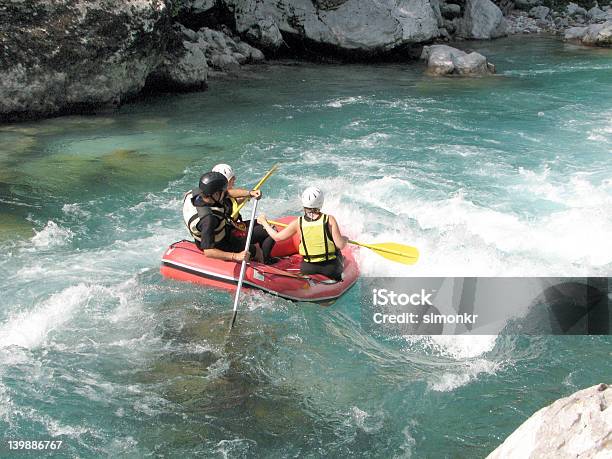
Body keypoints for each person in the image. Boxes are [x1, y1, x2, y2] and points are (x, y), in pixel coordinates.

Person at [257, 187, 349, 281]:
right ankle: (338, 279)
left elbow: (277, 238)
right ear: (321, 202)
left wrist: (264, 222)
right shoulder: (329, 219)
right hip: (330, 268)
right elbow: (340, 245)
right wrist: (345, 238)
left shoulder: (298, 223)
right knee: (337, 251)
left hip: (308, 268)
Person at [182, 171, 262, 262]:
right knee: (256, 250)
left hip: (213, 232)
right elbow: (208, 251)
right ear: (216, 194)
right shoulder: (208, 220)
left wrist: (249, 193)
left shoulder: (196, 193)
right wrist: (236, 256)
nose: (225, 193)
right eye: (222, 192)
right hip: (219, 244)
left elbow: (228, 193)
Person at [211, 163, 277, 263]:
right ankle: (265, 259)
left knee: (267, 224)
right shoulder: (221, 200)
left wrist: (249, 195)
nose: (235, 179)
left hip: (234, 227)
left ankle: (262, 253)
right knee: (270, 230)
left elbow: (233, 200)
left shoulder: (217, 194)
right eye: (232, 178)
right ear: (225, 182)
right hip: (232, 234)